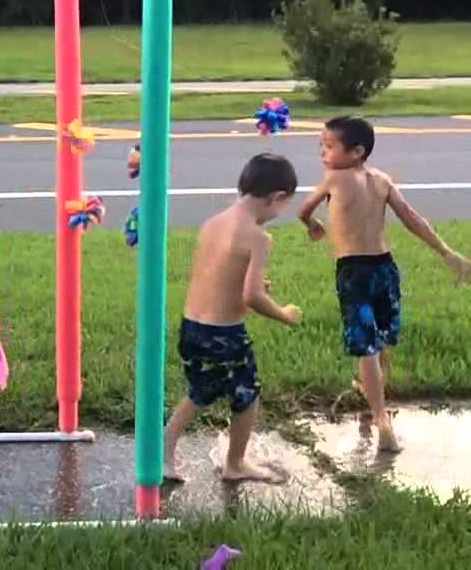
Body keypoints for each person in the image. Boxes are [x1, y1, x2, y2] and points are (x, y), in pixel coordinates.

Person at [297, 116, 471, 454]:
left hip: (354, 272)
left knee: (366, 345)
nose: (322, 152)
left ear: (356, 151)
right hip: (385, 267)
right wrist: (446, 252)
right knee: (384, 334)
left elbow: (303, 210)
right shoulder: (382, 180)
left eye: (329, 146)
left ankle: (381, 421)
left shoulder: (333, 178)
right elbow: (411, 218)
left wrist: (312, 224)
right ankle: (370, 385)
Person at [163, 154, 302, 484]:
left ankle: (164, 448)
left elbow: (212, 275)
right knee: (247, 393)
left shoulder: (213, 223)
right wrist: (283, 313)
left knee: (201, 391)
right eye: (283, 207)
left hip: (192, 326)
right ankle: (235, 463)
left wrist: (248, 283)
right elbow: (252, 297)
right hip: (224, 335)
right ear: (277, 197)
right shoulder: (258, 237)